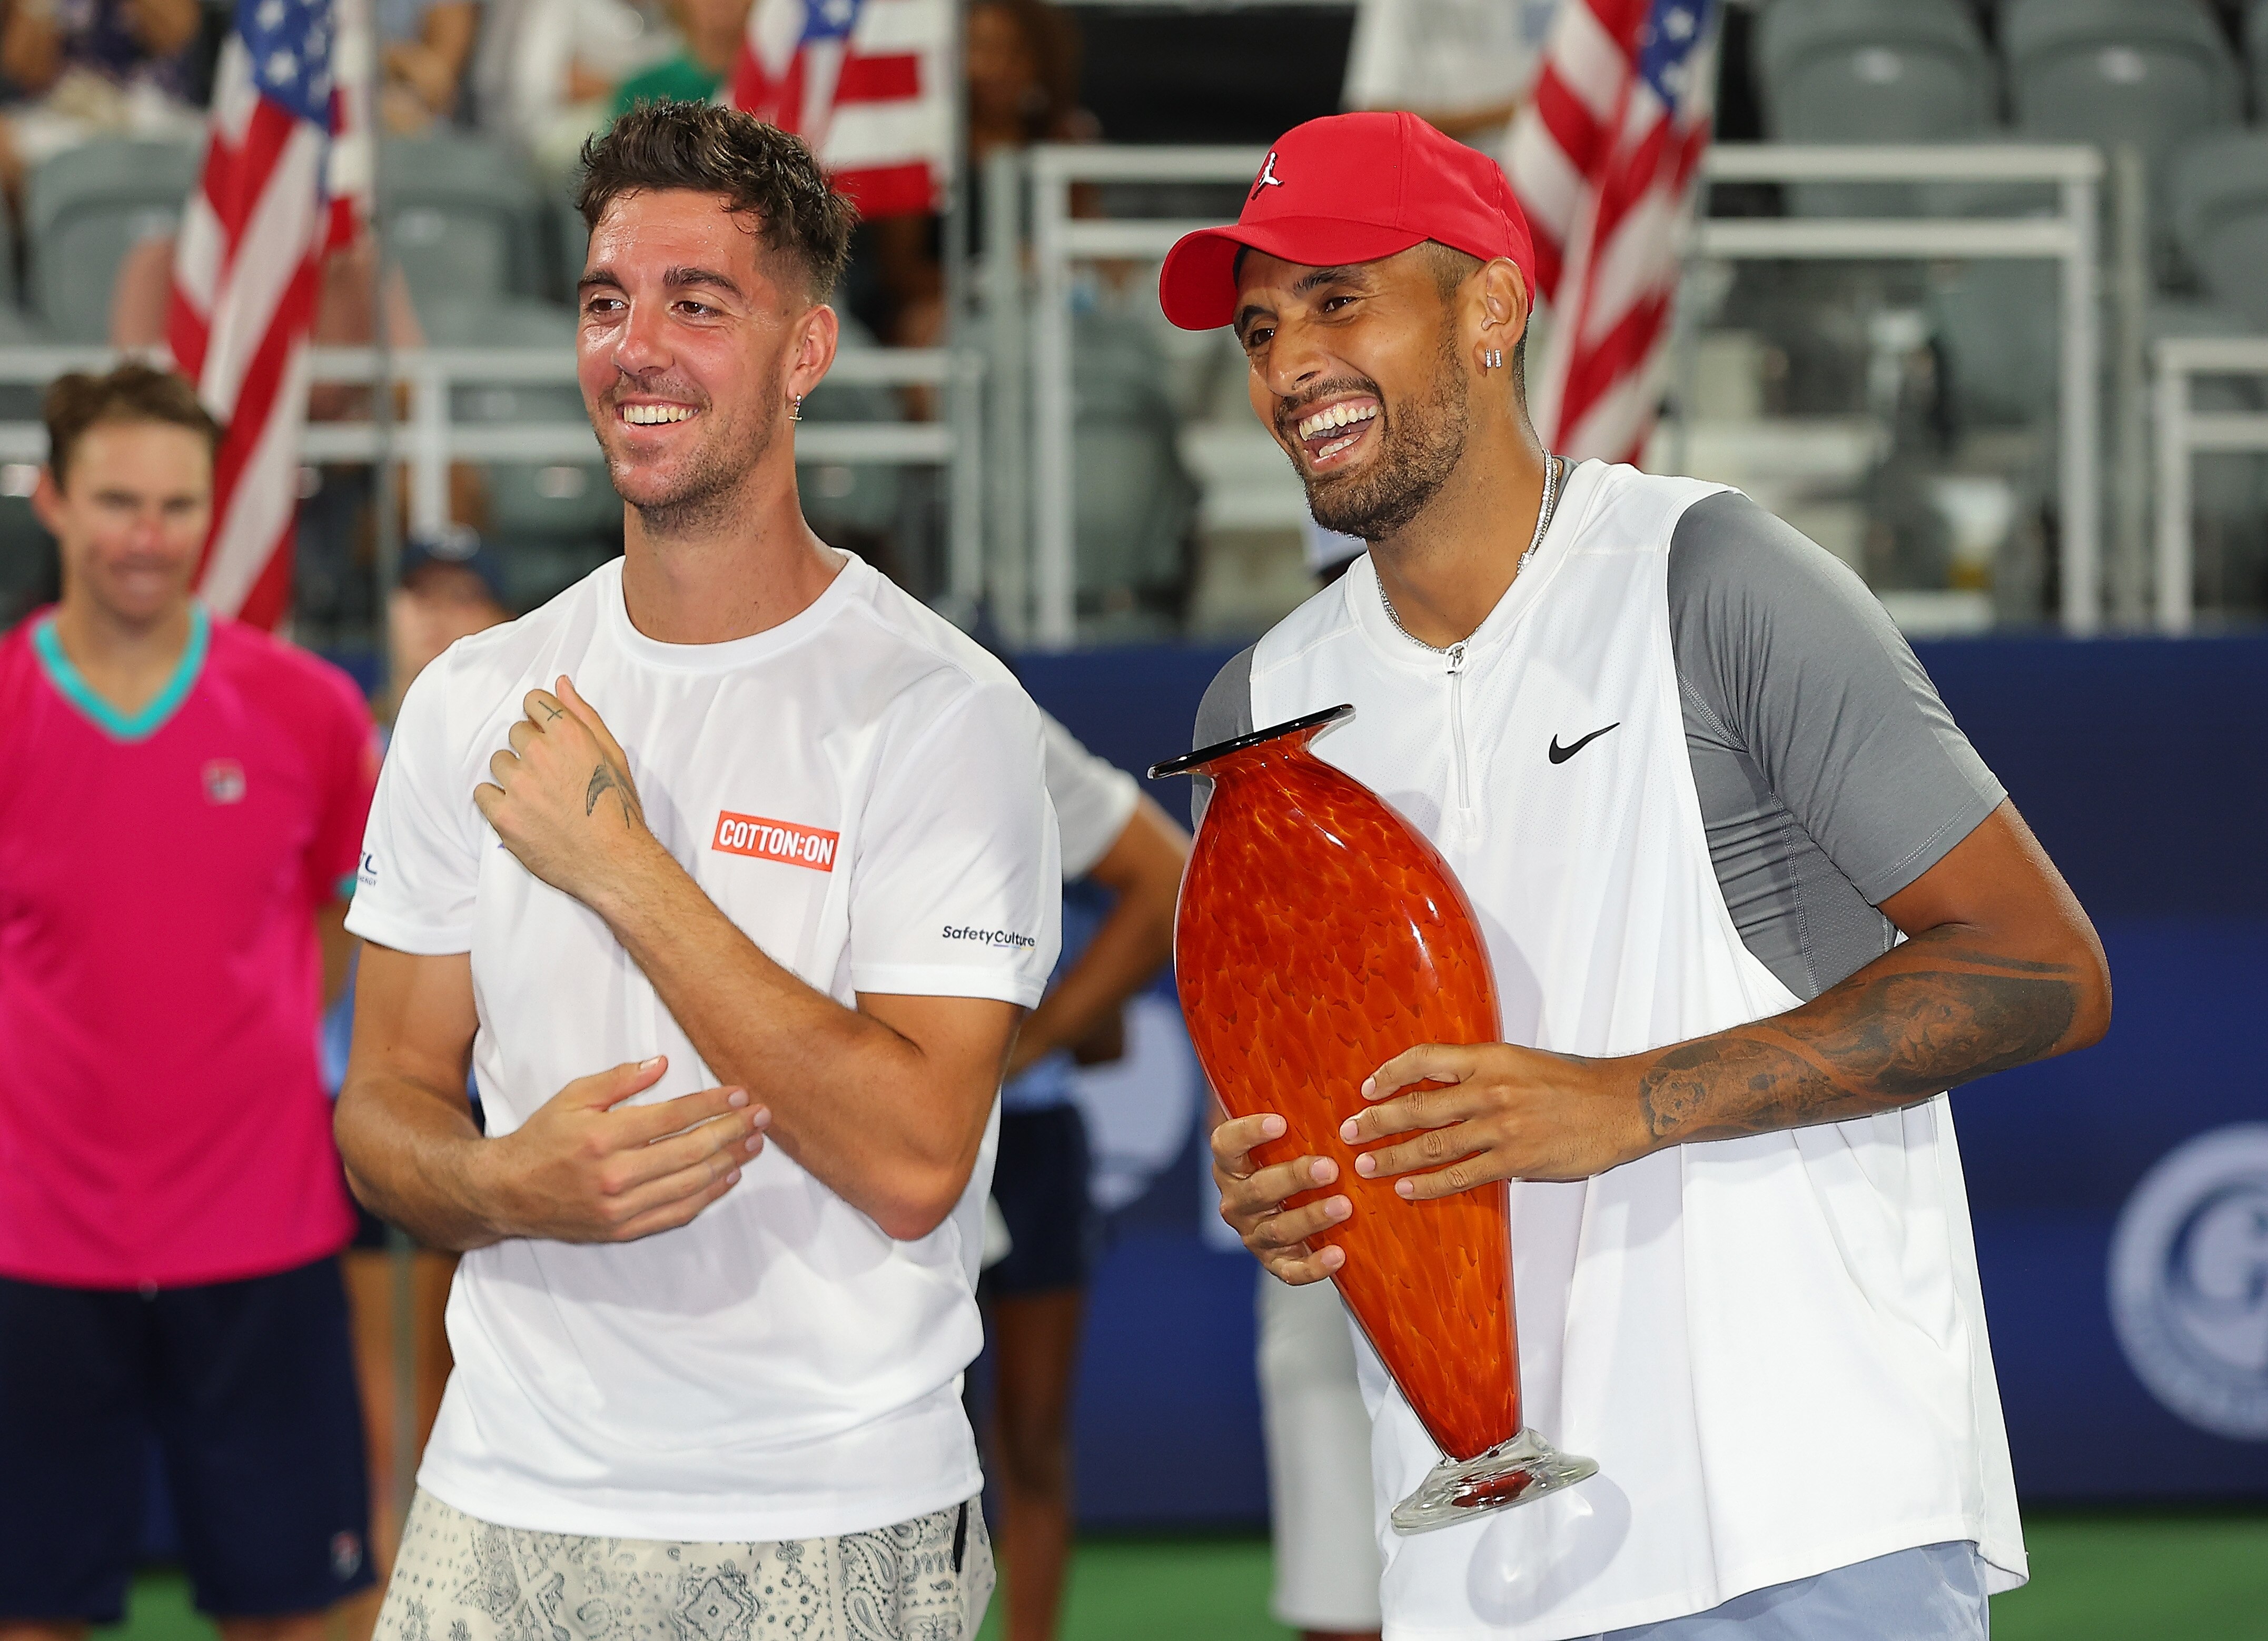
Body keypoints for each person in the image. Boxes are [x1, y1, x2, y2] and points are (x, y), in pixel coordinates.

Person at [1165, 112, 2112, 1639]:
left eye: (1339, 300)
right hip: (1482, 1567)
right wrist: (1282, 1192)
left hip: (1807, 1525)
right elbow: (1321, 1098)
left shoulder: (1714, 578)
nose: (1285, 365)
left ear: (1489, 308)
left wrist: (1624, 1099)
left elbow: (2041, 968)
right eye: (1260, 326)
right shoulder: (1255, 712)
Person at [336, 101, 1058, 1641]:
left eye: (695, 302)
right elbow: (382, 1105)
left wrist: (624, 868)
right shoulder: (476, 697)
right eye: (607, 300)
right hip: (502, 1499)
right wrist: (495, 1180)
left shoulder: (938, 712)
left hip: (830, 1515)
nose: (635, 344)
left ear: (805, 352)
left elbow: (915, 1154)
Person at [0, 363, 380, 1640]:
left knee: (309, 1610)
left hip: (263, 1238)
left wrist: (248, 1041)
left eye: (177, 504)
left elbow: (349, 918)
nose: (148, 537)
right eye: (117, 500)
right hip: (30, 1251)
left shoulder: (309, 709)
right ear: (51, 500)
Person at [986, 716, 1187, 1641]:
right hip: (896, 1140)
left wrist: (1026, 1046)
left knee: (1030, 1438)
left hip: (1027, 1149)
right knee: (914, 1431)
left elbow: (1105, 1031)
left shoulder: (1021, 802)